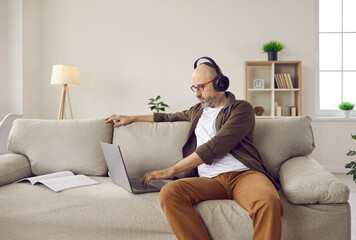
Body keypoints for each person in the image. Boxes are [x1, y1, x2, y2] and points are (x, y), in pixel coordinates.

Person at [105, 57, 283, 240]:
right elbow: (168, 117)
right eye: (194, 88)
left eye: (201, 87)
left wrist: (170, 170)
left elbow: (214, 147)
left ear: (219, 83)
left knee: (268, 202)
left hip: (244, 175)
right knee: (169, 192)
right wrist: (132, 118)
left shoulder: (241, 109)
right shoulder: (197, 110)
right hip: (210, 181)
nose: (197, 94)